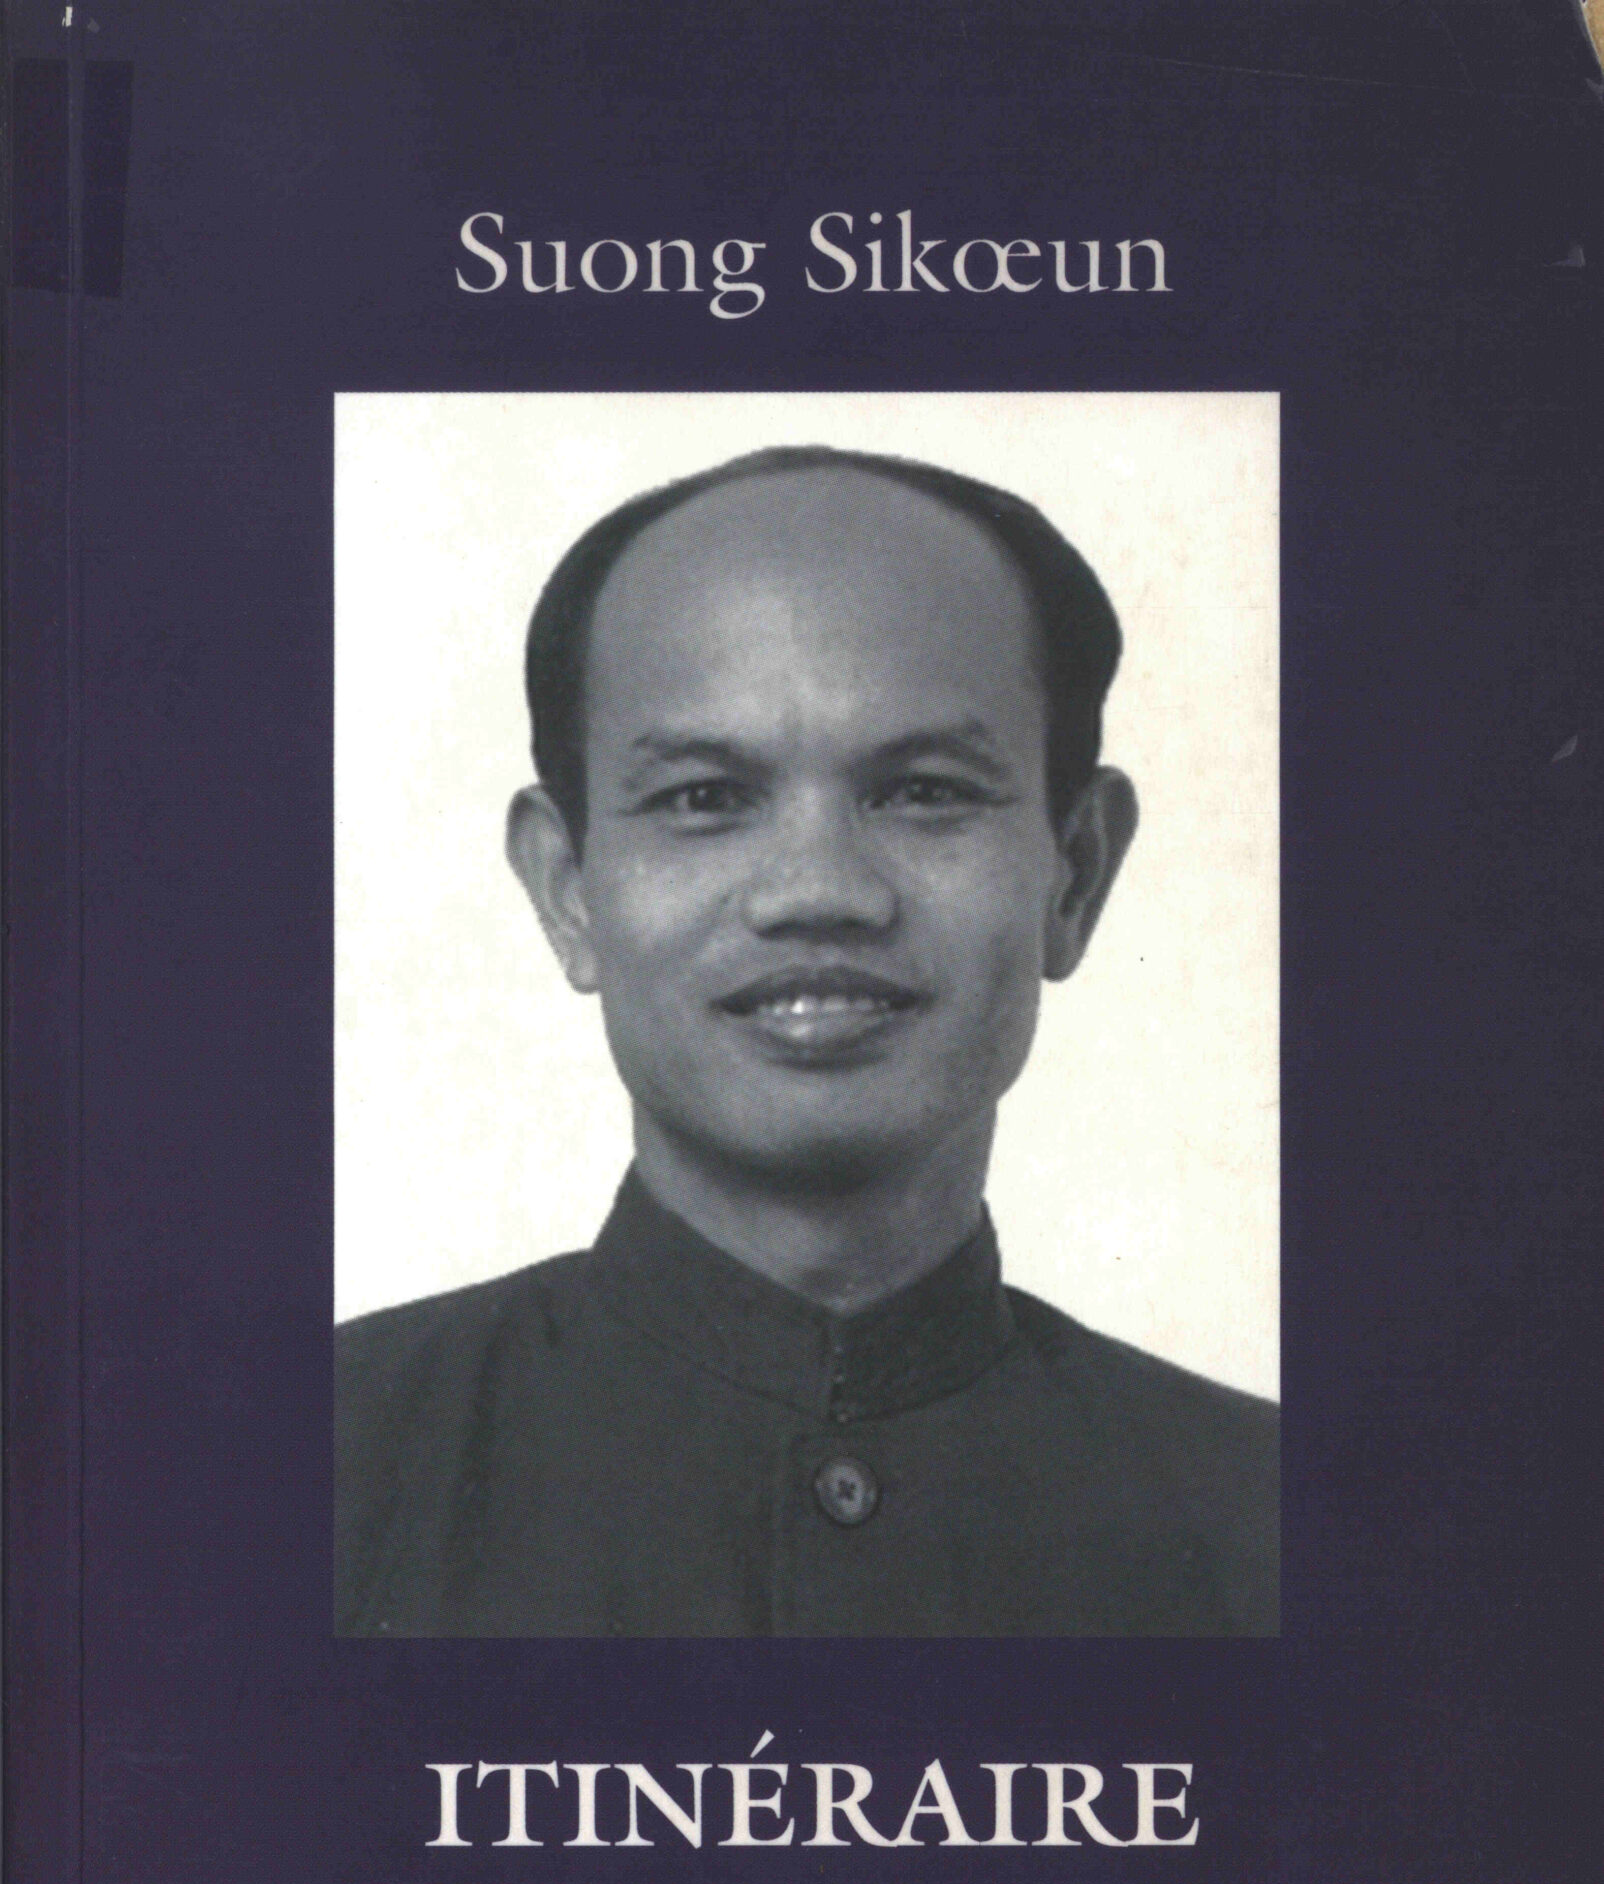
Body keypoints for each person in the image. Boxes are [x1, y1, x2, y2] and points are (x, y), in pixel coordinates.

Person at [336, 444, 1278, 1637]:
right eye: (703, 799)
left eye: (923, 790)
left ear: (1075, 872)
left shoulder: (1281, 1521)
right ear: (567, 889)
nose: (818, 890)